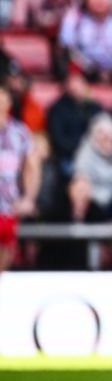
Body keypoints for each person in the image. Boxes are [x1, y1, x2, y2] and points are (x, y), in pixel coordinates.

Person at [0, 86, 39, 273]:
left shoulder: (19, 132)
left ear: (8, 102)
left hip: (8, 207)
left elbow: (32, 166)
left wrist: (28, 198)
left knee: (6, 254)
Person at [38, 174, 105, 270]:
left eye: (85, 191)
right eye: (79, 190)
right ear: (70, 190)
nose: (82, 194)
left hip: (86, 265)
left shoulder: (95, 210)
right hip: (58, 263)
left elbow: (104, 226)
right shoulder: (58, 209)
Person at [72, 113, 112, 209]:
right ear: (93, 136)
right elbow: (82, 187)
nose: (107, 138)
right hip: (93, 207)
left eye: (110, 135)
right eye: (102, 135)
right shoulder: (83, 157)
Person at [46, 68, 101, 169]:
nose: (76, 87)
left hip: (95, 156)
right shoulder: (56, 110)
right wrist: (82, 149)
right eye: (72, 82)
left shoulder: (94, 107)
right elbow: (58, 140)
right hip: (68, 157)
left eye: (79, 82)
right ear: (66, 86)